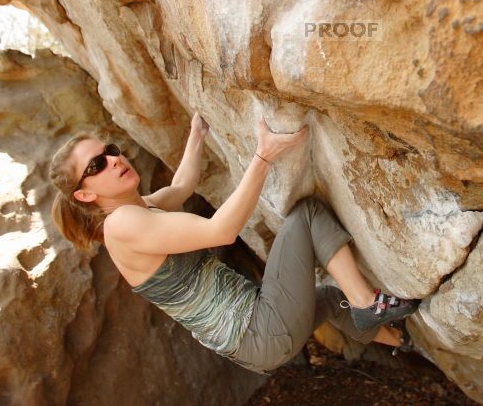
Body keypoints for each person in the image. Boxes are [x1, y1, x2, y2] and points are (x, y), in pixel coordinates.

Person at [48, 111, 419, 374]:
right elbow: (221, 232)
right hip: (257, 330)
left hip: (256, 342)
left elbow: (181, 187)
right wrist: (263, 157)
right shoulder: (122, 226)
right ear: (83, 195)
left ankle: (400, 340)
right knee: (305, 215)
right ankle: (367, 303)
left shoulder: (140, 208)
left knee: (326, 299)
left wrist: (197, 131)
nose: (113, 160)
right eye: (95, 166)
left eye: (109, 150)